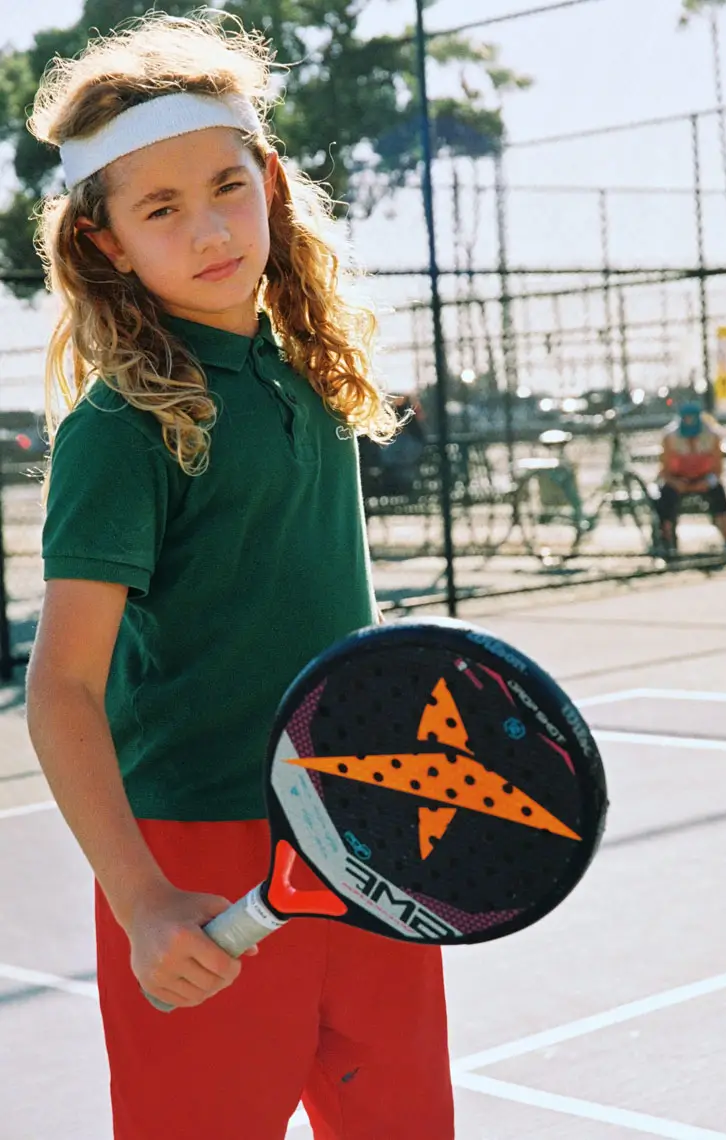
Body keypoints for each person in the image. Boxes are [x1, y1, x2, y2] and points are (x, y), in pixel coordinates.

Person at [24, 14, 454, 1140]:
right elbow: (62, 688)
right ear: (106, 240)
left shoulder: (310, 374)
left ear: (268, 180)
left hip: (360, 832)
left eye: (226, 187)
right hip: (200, 867)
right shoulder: (119, 430)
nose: (209, 228)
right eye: (159, 208)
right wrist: (142, 901)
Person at [656, 400, 726, 550]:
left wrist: (706, 482)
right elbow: (663, 471)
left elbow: (718, 470)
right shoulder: (669, 437)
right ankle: (667, 540)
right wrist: (675, 482)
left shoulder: (712, 435)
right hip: (677, 479)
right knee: (664, 499)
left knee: (720, 496)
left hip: (704, 478)